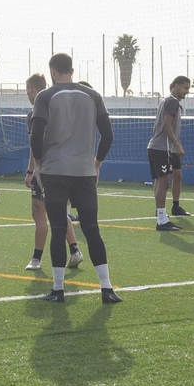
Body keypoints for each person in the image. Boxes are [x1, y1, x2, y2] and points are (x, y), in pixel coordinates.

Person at [29, 53, 122, 304]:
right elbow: (108, 134)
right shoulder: (92, 95)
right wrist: (97, 162)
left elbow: (36, 133)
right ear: (72, 69)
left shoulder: (45, 96)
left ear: (52, 70)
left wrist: (37, 163)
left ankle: (58, 291)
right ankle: (107, 288)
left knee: (59, 229)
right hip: (84, 171)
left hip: (55, 170)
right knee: (92, 229)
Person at [22, 73, 79, 272]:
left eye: (27, 89)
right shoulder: (60, 108)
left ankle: (36, 258)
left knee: (39, 212)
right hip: (66, 167)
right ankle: (75, 250)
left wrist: (31, 171)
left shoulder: (35, 112)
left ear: (30, 89)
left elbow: (34, 144)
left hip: (45, 168)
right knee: (59, 211)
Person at [148, 76, 191, 231]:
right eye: (185, 87)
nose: (187, 91)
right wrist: (178, 145)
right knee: (163, 183)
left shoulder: (168, 101)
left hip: (162, 148)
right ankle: (161, 219)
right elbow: (166, 126)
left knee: (167, 180)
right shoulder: (172, 101)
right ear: (175, 85)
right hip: (162, 147)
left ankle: (164, 213)